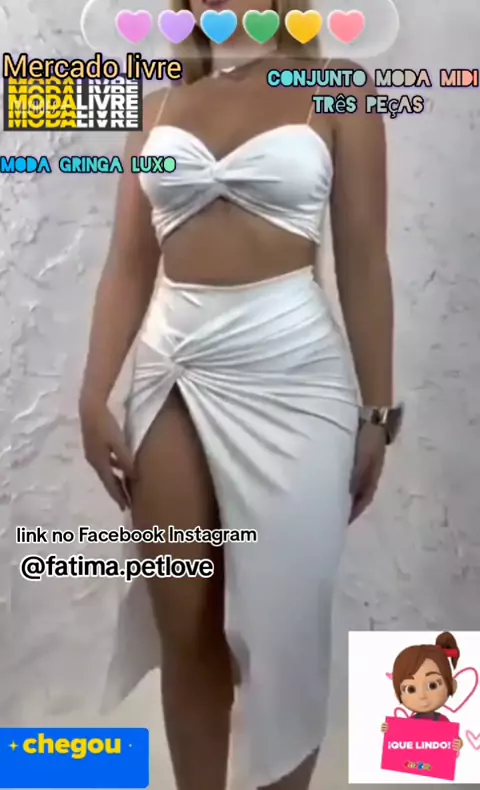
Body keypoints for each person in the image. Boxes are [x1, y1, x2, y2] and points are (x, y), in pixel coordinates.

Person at [79, 0, 401, 786]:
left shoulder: (339, 91)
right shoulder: (159, 104)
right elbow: (128, 262)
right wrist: (93, 392)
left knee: (285, 628)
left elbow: (364, 259)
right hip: (173, 369)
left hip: (295, 374)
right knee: (185, 617)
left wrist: (377, 410)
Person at [381, 632, 463, 752]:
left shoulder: (442, 721)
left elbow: (450, 740)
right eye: (411, 689)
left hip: (435, 762)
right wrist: (389, 730)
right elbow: (400, 740)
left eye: (433, 685)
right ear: (397, 693)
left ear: (452, 685)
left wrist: (458, 744)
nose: (422, 696)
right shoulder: (409, 724)